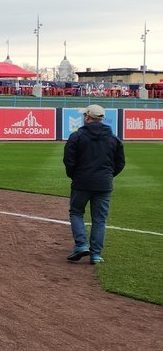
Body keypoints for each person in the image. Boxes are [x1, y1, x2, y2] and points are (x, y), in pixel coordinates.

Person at [63, 104, 125, 264]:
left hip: (81, 181)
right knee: (99, 219)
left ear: (87, 117)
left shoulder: (76, 136)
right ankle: (95, 254)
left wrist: (74, 176)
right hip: (104, 184)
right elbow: (120, 163)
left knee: (76, 212)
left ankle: (81, 244)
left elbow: (69, 161)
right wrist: (109, 176)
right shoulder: (113, 138)